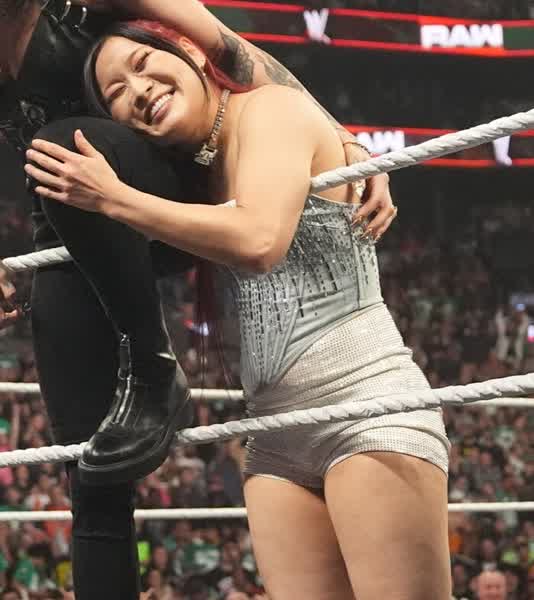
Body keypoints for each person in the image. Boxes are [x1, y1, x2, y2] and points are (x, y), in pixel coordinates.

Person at [26, 19, 451, 600]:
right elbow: (108, 259)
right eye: (116, 93)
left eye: (143, 65)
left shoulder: (270, 109)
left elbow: (258, 239)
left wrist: (114, 198)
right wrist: (19, 275)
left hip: (366, 406)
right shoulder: (202, 172)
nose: (138, 89)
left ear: (192, 54)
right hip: (274, 436)